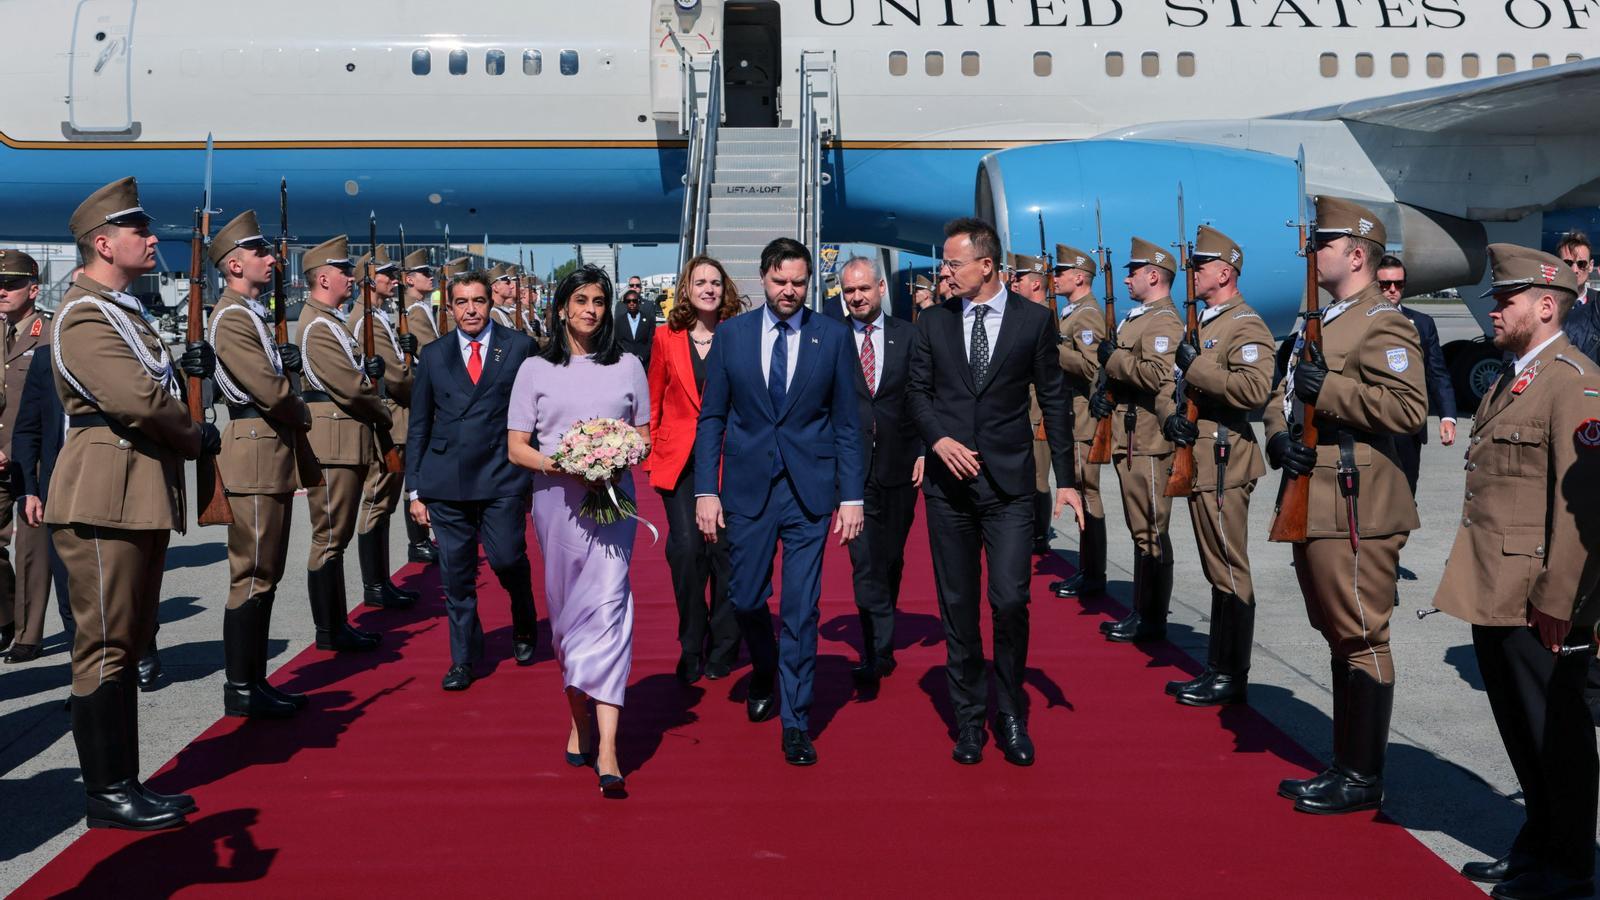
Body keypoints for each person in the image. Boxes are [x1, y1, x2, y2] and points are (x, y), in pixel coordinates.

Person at [1432, 243, 1600, 900]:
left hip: (1539, 600)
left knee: (1556, 737)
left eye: (1505, 300)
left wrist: (1561, 602)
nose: (1493, 309)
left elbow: (1583, 502)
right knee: (1524, 736)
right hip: (1496, 590)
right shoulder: (1514, 376)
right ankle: (1540, 844)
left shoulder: (1574, 381)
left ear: (1545, 305)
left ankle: (1574, 869)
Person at [50, 176, 218, 830]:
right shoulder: (85, 312)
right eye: (138, 232)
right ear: (102, 243)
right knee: (105, 645)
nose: (151, 240)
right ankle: (106, 791)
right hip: (102, 491)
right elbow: (137, 400)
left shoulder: (125, 310)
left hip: (137, 488)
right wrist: (191, 432)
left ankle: (127, 781)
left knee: (129, 641)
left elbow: (151, 386)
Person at [1266, 197, 1426, 815]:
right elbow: (1281, 395)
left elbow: (1408, 409)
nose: (1314, 255)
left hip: (1357, 497)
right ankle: (1344, 764)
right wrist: (1280, 439)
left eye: (1324, 245)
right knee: (1338, 632)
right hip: (1315, 489)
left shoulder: (1382, 321)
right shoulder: (1322, 319)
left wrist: (1328, 390)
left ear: (1356, 254)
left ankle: (1362, 777)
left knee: (1362, 632)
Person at [908, 218, 1084, 767]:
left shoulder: (1033, 322)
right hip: (948, 491)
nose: (945, 271)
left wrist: (1068, 480)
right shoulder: (932, 322)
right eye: (944, 262)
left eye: (953, 263)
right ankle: (968, 721)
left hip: (1009, 488)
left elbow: (1054, 402)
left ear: (986, 265)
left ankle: (1009, 712)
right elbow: (915, 393)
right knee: (957, 608)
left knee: (1010, 601)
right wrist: (937, 441)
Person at [693, 238, 865, 767]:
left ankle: (796, 721)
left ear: (810, 282)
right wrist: (706, 489)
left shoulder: (832, 337)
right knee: (745, 598)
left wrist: (852, 496)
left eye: (799, 282)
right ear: (763, 279)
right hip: (747, 490)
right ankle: (763, 665)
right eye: (780, 281)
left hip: (809, 493)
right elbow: (713, 418)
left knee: (800, 609)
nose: (789, 291)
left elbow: (848, 424)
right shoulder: (732, 336)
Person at [509, 265, 648, 797]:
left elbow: (643, 436)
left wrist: (615, 461)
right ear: (563, 305)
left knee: (611, 608)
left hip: (615, 504)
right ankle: (580, 718)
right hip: (556, 504)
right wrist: (565, 465)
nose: (591, 309)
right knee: (567, 622)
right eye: (581, 299)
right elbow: (517, 446)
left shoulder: (629, 365)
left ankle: (609, 748)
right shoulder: (535, 370)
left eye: (599, 301)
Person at [1158, 226, 1274, 707]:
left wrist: (1197, 366)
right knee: (1214, 566)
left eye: (1199, 267)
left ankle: (1231, 674)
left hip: (1225, 459)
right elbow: (1172, 386)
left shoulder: (1245, 324)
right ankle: (1216, 666)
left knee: (1229, 566)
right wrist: (1171, 420)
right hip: (1201, 456)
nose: (1193, 274)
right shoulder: (1202, 322)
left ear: (1224, 272)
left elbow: (1254, 390)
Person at [409, 271, 540, 691]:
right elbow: (418, 425)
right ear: (449, 308)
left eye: (478, 301)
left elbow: (537, 415)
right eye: (461, 302)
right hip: (446, 482)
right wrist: (415, 489)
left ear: (489, 304)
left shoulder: (518, 347)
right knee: (457, 575)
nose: (470, 309)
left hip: (502, 475)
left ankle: (523, 617)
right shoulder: (432, 355)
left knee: (506, 559)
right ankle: (463, 658)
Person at [207, 210, 315, 719]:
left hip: (267, 448)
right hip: (252, 445)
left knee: (267, 570)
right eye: (260, 253)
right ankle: (241, 686)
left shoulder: (248, 312)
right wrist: (299, 405)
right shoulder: (230, 316)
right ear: (233, 264)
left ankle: (255, 679)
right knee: (251, 572)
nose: (272, 260)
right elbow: (269, 391)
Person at [646, 255, 742, 684]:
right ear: (686, 288)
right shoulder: (666, 337)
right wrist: (650, 450)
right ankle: (690, 639)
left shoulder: (738, 335)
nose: (708, 289)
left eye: (715, 283)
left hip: (729, 458)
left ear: (725, 290)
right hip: (679, 459)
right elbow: (654, 396)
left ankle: (724, 642)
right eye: (700, 282)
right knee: (686, 551)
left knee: (723, 552)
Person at [298, 236, 389, 653]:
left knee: (338, 536)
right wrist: (382, 409)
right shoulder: (317, 325)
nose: (352, 278)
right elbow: (352, 388)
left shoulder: (330, 321)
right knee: (330, 536)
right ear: (322, 278)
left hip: (345, 439)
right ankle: (330, 629)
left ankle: (336, 624)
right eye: (343, 271)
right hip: (332, 442)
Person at [836, 256, 923, 685]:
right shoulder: (831, 339)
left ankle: (882, 626)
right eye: (849, 291)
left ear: (881, 288)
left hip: (901, 465)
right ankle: (875, 651)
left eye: (863, 289)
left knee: (890, 558)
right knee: (865, 561)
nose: (856, 297)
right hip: (851, 469)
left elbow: (925, 396)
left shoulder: (910, 336)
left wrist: (926, 447)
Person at [1092, 237, 1183, 643]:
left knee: (1151, 528)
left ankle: (1151, 617)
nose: (1127, 278)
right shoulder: (1136, 317)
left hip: (1146, 439)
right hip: (1128, 435)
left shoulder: (1163, 320)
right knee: (1138, 527)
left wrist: (1113, 359)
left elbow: (1155, 375)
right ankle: (1142, 610)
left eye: (1134, 271)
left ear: (1153, 275)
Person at [348, 248, 421, 611]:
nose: (395, 280)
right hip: (390, 421)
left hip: (396, 420)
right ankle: (374, 584)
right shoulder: (368, 320)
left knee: (386, 502)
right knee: (377, 502)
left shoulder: (378, 317)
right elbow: (396, 377)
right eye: (387, 275)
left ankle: (381, 580)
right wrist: (420, 383)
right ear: (368, 280)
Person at [1049, 244, 1108, 600]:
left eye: (1061, 272)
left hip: (1084, 417)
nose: (1055, 277)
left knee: (1088, 494)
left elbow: (1090, 367)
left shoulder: (1086, 315)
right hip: (1072, 416)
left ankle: (1093, 573)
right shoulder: (1073, 312)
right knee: (1080, 495)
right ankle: (1086, 569)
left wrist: (1054, 349)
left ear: (1080, 277)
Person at [0, 249, 50, 663]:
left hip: (29, 462)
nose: (2, 291)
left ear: (32, 289)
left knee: (32, 551)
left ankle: (27, 634)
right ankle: (5, 615)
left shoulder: (48, 333)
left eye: (12, 284)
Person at [12, 325, 73, 652]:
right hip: (56, 487)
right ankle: (86, 680)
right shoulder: (45, 359)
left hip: (110, 486)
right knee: (68, 593)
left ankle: (141, 648)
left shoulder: (123, 353)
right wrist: (29, 490)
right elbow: (27, 428)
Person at [1377, 255, 1457, 495]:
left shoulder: (1422, 323)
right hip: (1372, 423)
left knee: (1405, 495)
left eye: (1398, 284)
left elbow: (1436, 372)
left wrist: (1448, 416)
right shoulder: (1361, 321)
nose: (1392, 290)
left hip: (1408, 426)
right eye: (1385, 284)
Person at [1010, 253, 1057, 555]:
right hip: (1027, 409)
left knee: (1039, 476)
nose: (1013, 283)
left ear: (1036, 282)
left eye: (1019, 278)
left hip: (1039, 411)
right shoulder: (1026, 315)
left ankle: (1039, 535)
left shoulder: (1042, 318)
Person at [399, 248, 441, 565]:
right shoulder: (414, 311)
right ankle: (418, 540)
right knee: (416, 471)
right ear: (410, 279)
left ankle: (422, 538)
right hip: (420, 397)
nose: (432, 277)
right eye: (425, 273)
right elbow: (430, 353)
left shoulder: (422, 309)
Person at [1556, 231, 1600, 363]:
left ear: (1591, 266)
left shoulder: (1598, 303)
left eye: (1581, 264)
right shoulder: (1544, 303)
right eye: (1568, 263)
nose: (1575, 270)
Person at [617, 289, 655, 367]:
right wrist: (626, 358)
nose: (631, 303)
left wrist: (642, 356)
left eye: (634, 301)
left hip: (644, 364)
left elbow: (651, 341)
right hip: (625, 363)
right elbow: (618, 342)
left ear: (639, 302)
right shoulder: (619, 321)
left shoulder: (648, 320)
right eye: (628, 301)